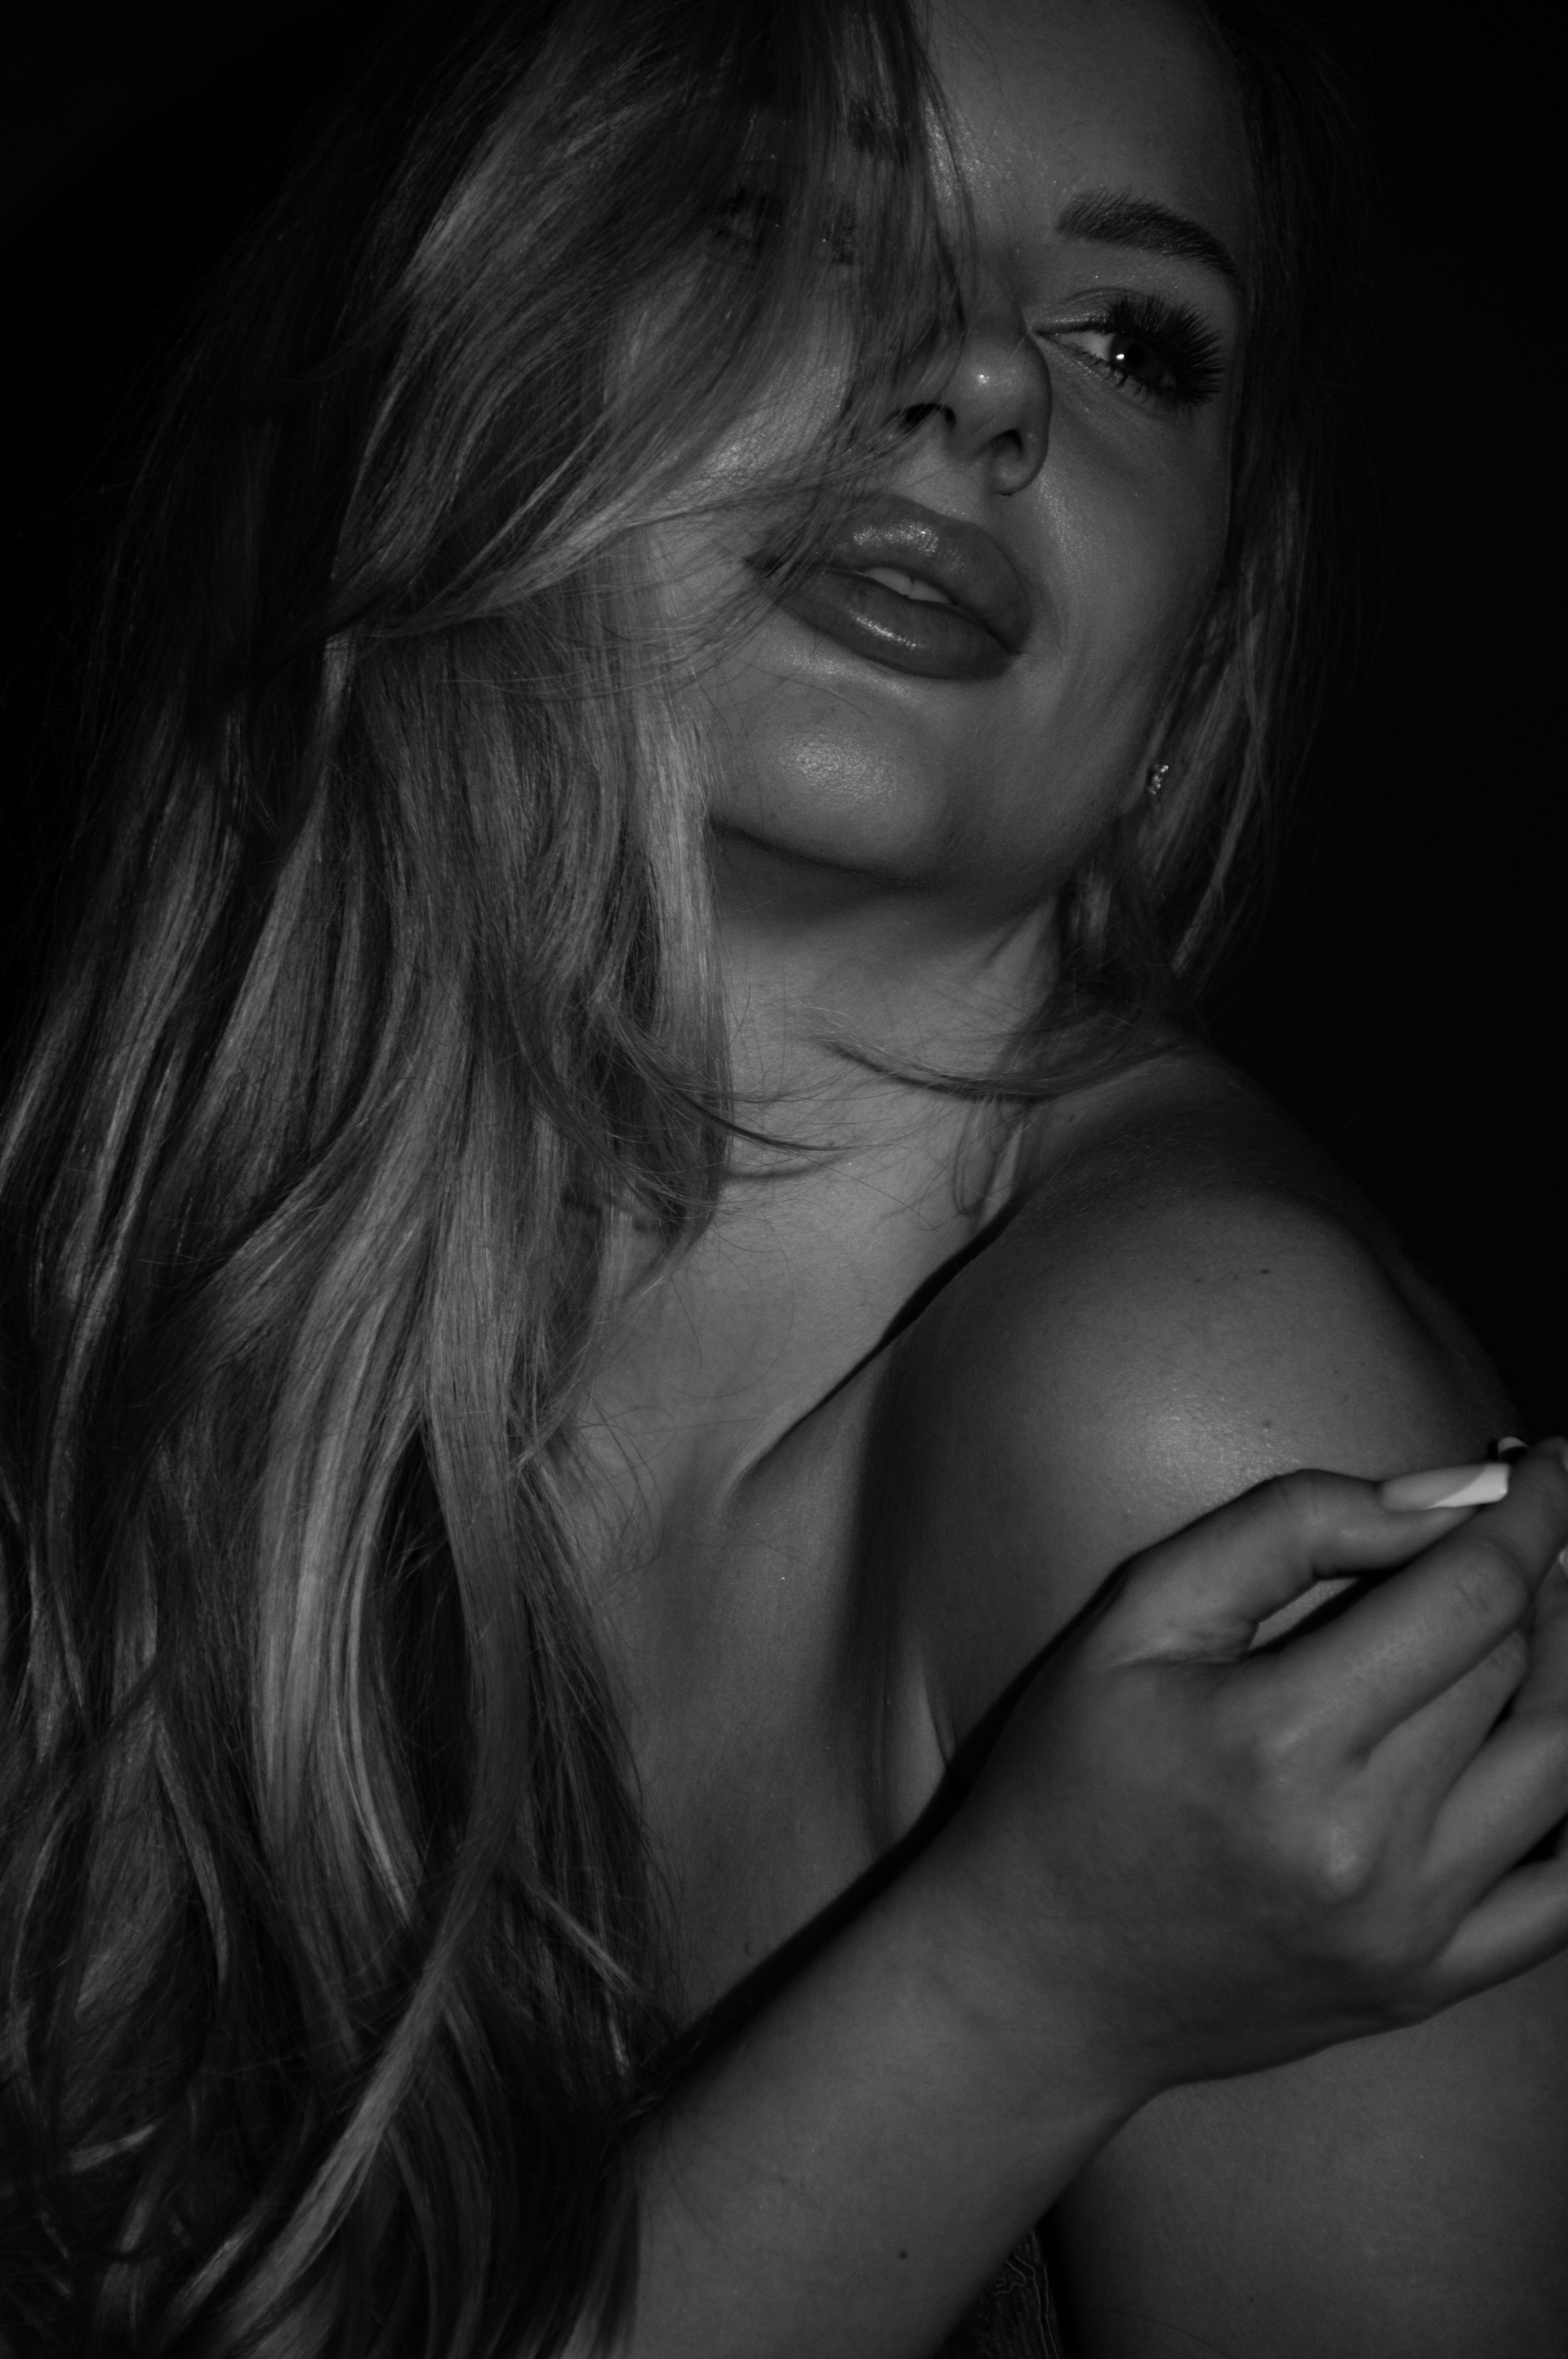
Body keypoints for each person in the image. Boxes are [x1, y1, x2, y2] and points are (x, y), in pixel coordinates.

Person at [2, 1, 1566, 2354]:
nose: (991, 381)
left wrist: (1016, 1996)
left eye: (1139, 341)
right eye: (792, 225)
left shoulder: (1197, 1422)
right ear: (455, 335)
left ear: (1203, 648)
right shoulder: (179, 1265)